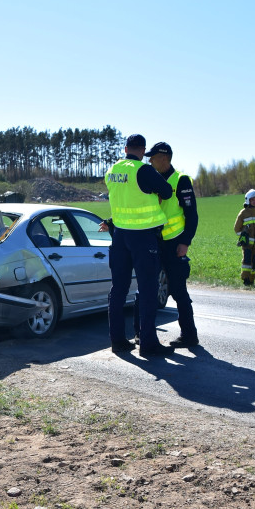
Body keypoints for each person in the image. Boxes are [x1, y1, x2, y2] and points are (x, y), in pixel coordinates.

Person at [104, 133, 174, 357]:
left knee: (118, 289)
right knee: (147, 288)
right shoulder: (143, 170)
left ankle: (118, 341)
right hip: (143, 236)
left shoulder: (112, 170)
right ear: (143, 151)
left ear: (125, 149)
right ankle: (148, 343)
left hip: (120, 235)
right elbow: (166, 191)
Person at [143, 142, 199, 348]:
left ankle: (189, 335)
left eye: (153, 157)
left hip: (175, 244)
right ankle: (145, 335)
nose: (149, 160)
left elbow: (192, 215)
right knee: (149, 288)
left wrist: (185, 242)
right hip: (156, 242)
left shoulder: (181, 180)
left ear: (164, 158)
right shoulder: (153, 181)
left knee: (178, 291)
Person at [233, 189, 255, 286]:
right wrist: (243, 237)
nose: (254, 202)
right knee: (247, 261)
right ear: (248, 200)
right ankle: (245, 279)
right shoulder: (243, 213)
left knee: (254, 261)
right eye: (252, 200)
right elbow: (236, 228)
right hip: (247, 244)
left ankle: (251, 280)